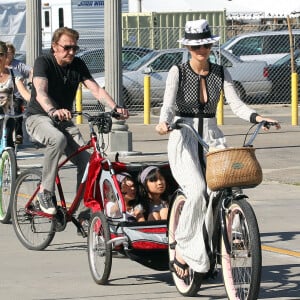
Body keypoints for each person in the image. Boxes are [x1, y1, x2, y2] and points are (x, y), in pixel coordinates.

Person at [155, 19, 281, 280]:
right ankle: (182, 250)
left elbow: (236, 104)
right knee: (198, 191)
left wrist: (257, 117)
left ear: (211, 45)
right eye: (196, 46)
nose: (201, 50)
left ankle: (230, 232)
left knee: (227, 185)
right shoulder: (177, 71)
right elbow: (167, 105)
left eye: (205, 44)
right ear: (188, 47)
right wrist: (163, 122)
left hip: (212, 137)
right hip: (184, 136)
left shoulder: (221, 72)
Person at [25, 27, 129, 216]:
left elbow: (96, 89)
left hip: (63, 121)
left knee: (88, 163)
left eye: (75, 48)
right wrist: (53, 110)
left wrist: (115, 108)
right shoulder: (44, 62)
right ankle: (45, 192)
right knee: (57, 139)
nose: (71, 52)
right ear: (54, 46)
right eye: (67, 47)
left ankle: (82, 212)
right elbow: (40, 91)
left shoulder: (78, 64)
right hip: (38, 117)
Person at [0, 41, 30, 147]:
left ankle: (11, 161)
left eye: (1, 54)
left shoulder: (14, 72)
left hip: (8, 114)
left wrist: (37, 102)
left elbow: (24, 93)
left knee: (8, 143)